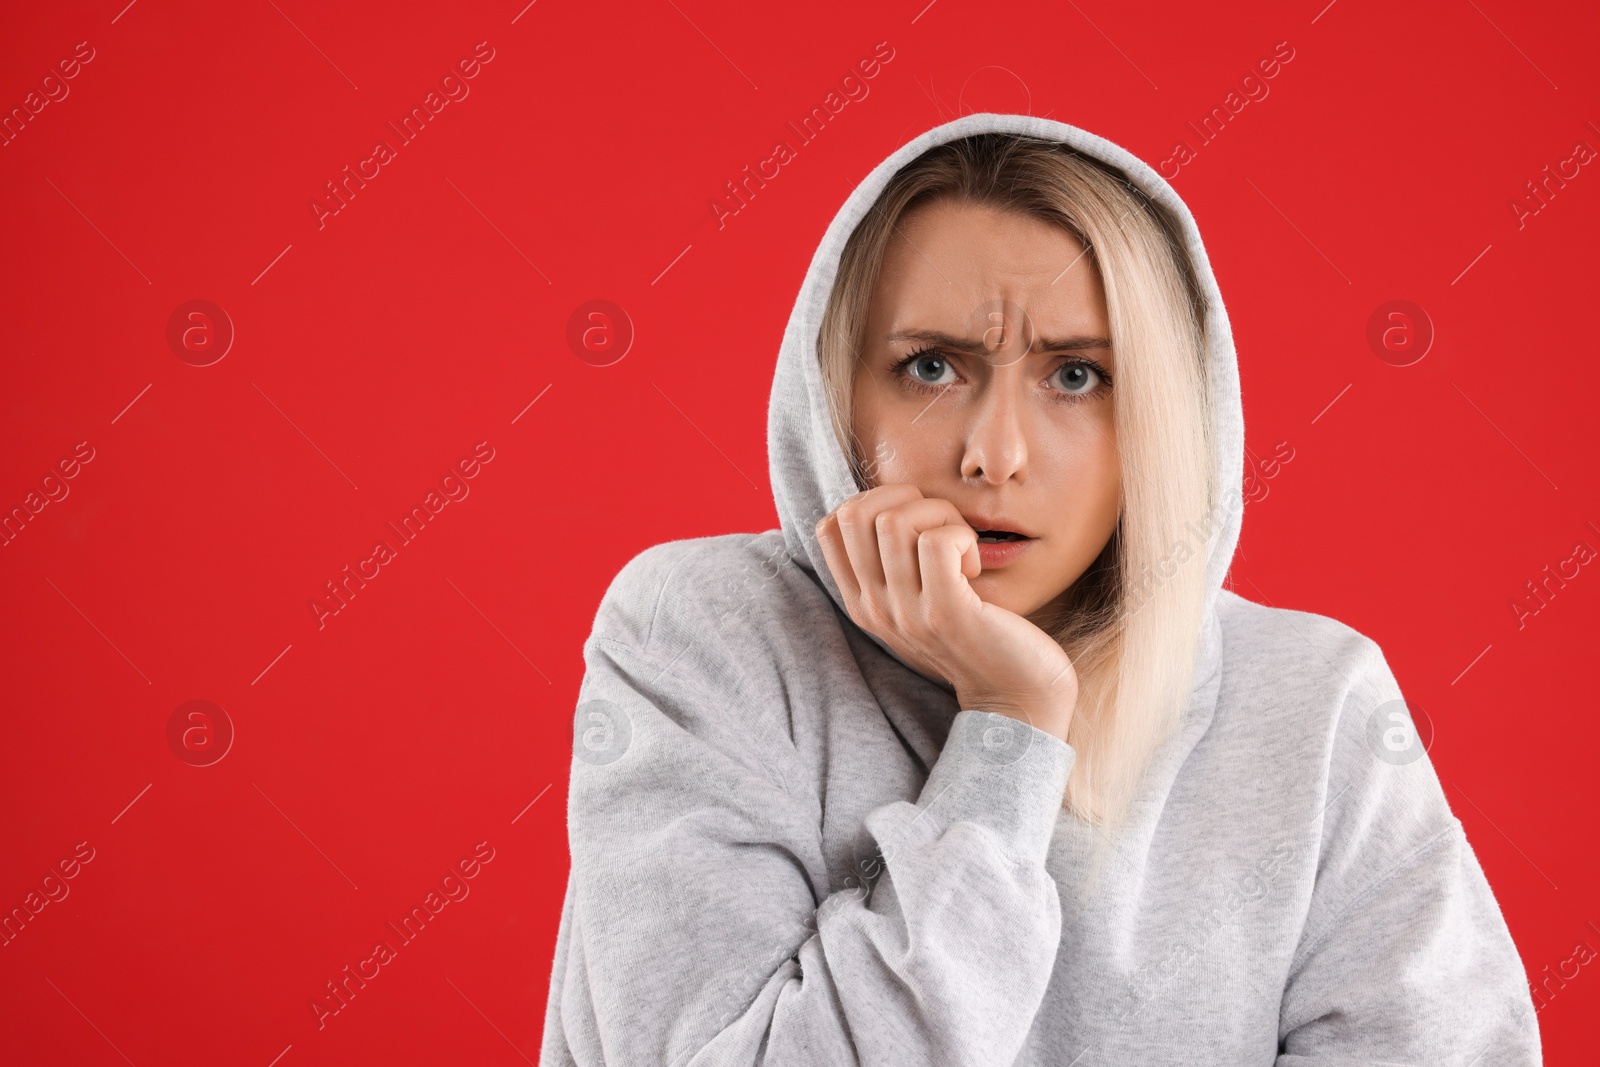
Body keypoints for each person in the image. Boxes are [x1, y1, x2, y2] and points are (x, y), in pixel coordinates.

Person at [537, 113, 1542, 1065]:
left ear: (1160, 413)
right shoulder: (703, 633)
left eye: (1075, 377)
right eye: (931, 365)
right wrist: (1011, 729)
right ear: (834, 396)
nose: (994, 454)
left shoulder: (1314, 700)